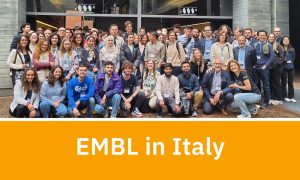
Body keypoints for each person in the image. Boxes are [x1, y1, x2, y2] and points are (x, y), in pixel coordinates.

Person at [252, 30, 274, 108]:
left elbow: (272, 57)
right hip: (256, 67)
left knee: (266, 85)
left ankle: (266, 102)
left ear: (266, 36)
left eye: (263, 35)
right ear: (257, 36)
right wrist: (253, 65)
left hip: (264, 68)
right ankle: (257, 100)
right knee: (256, 84)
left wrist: (266, 65)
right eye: (260, 35)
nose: (262, 36)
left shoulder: (269, 45)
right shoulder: (255, 44)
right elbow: (252, 55)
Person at [268, 33, 285, 105]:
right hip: (269, 67)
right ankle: (272, 97)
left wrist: (274, 64)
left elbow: (282, 58)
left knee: (276, 82)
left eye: (272, 37)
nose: (271, 38)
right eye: (270, 37)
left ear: (275, 38)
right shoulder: (267, 45)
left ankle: (279, 98)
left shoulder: (278, 45)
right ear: (268, 38)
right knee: (271, 82)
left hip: (277, 67)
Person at [281, 36, 296, 103]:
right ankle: (285, 96)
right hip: (283, 68)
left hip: (291, 68)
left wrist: (290, 63)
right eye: (285, 40)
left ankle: (291, 97)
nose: (286, 41)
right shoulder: (280, 48)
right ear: (282, 41)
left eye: (287, 40)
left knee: (290, 82)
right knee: (284, 82)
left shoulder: (292, 49)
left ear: (289, 41)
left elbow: (293, 58)